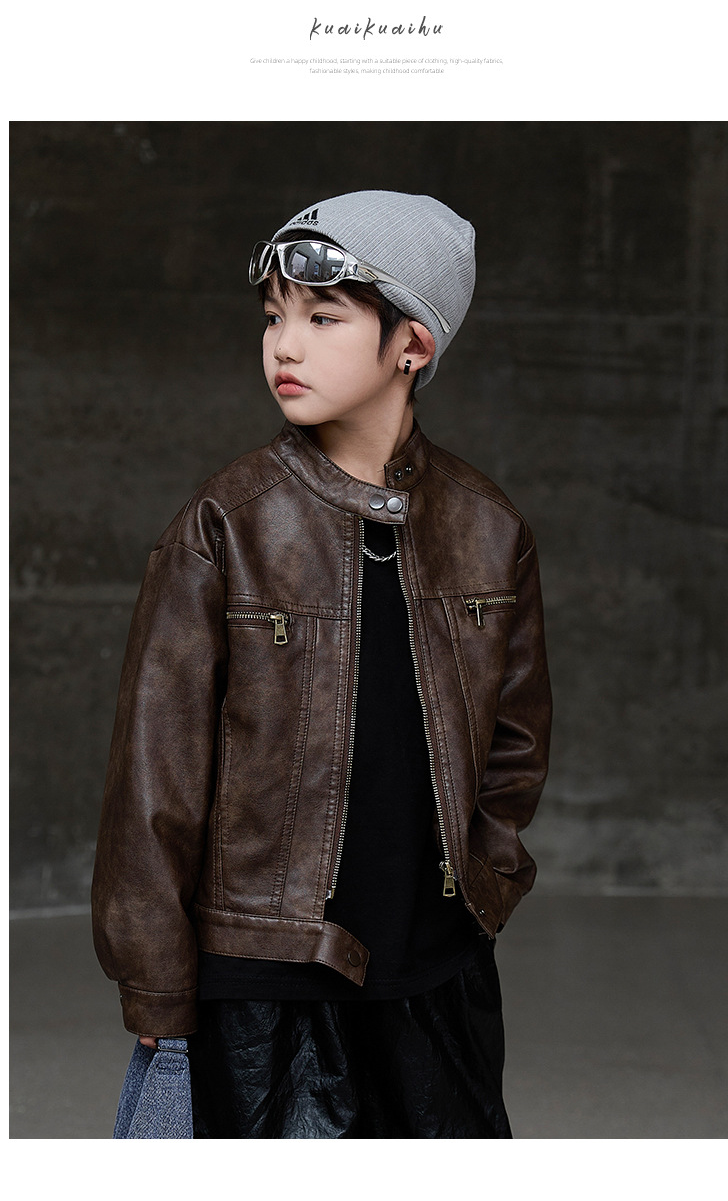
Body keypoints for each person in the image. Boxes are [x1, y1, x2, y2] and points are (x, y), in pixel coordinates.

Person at [91, 189, 552, 1138]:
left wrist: (483, 891)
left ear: (411, 345)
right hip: (263, 983)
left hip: (436, 975)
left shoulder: (488, 529)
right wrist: (157, 987)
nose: (284, 346)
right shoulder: (224, 524)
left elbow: (517, 746)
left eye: (323, 318)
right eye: (273, 318)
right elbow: (153, 780)